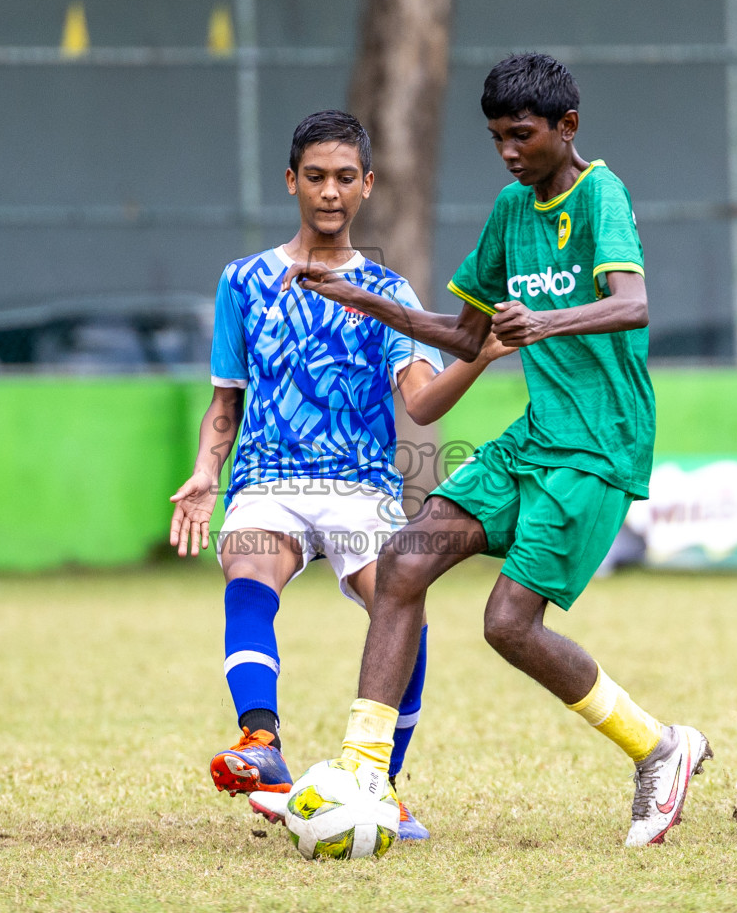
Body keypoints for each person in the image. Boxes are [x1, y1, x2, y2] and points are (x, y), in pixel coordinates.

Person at [283, 56, 711, 847]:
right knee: (406, 560)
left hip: (596, 448)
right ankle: (364, 770)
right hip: (536, 438)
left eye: (523, 135)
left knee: (508, 625)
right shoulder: (512, 210)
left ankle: (660, 748)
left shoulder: (600, 195)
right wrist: (364, 300)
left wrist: (544, 324)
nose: (509, 152)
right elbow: (466, 335)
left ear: (567, 127)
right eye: (496, 138)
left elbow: (633, 304)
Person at [169, 109, 514, 842]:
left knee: (403, 605)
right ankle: (260, 742)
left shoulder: (388, 293)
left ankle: (380, 785)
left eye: (345, 179)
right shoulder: (244, 282)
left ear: (367, 188)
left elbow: (419, 400)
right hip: (267, 478)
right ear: (292, 182)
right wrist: (206, 470)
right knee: (248, 570)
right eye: (316, 177)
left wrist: (475, 359)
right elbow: (226, 401)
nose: (330, 192)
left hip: (360, 487)